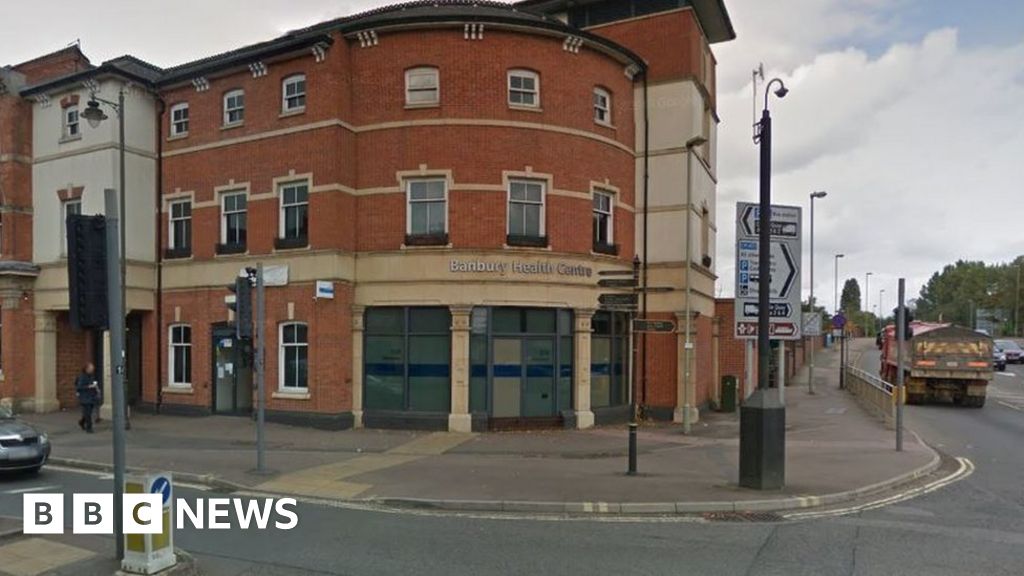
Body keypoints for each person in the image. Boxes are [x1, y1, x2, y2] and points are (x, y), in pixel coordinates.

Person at [75, 363, 100, 433]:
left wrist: (96, 389)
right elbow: (79, 387)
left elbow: (94, 384)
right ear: (86, 369)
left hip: (91, 396)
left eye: (92, 369)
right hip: (84, 397)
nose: (92, 370)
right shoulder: (82, 377)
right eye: (90, 369)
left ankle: (82, 422)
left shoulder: (91, 376)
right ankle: (89, 428)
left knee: (88, 412)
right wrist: (88, 386)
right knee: (88, 413)